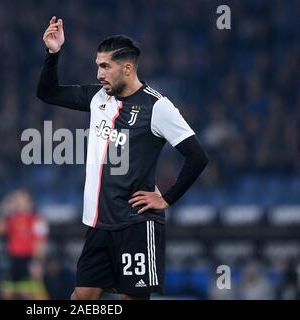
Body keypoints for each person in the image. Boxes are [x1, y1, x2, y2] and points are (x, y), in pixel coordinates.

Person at [36, 16, 208, 300]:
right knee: (82, 296)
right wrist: (53, 54)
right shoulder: (99, 98)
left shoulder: (158, 107)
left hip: (136, 224)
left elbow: (197, 157)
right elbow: (48, 93)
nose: (98, 74)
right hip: (98, 223)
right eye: (97, 66)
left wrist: (166, 199)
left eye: (105, 66)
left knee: (133, 298)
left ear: (127, 68)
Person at [0, 189, 48, 299]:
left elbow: (40, 243)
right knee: (7, 293)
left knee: (29, 293)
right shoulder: (11, 218)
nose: (18, 202)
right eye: (16, 199)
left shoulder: (37, 219)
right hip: (12, 260)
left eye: (21, 199)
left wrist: (37, 261)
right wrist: (3, 211)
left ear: (29, 202)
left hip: (29, 261)